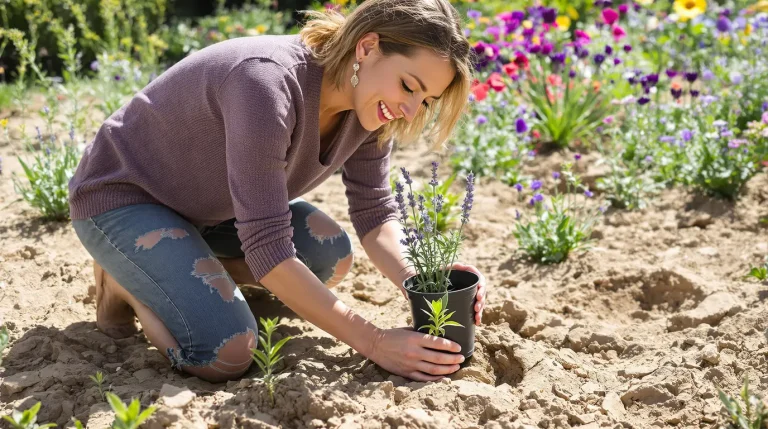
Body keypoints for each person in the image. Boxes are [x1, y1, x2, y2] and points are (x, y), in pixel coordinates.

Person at [68, 0, 487, 384]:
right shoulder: (265, 82)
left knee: (329, 254)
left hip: (210, 211)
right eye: (409, 87)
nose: (411, 111)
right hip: (123, 200)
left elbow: (376, 214)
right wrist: (375, 342)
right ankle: (126, 282)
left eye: (426, 101)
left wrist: (425, 283)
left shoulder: (369, 109)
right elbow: (269, 249)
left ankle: (175, 271)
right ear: (367, 47)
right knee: (226, 352)